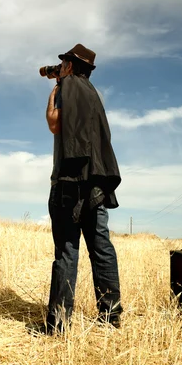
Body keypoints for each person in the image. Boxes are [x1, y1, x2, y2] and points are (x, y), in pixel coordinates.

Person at [40, 43, 123, 335]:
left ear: (71, 66)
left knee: (67, 250)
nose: (58, 68)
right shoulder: (93, 95)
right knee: (102, 248)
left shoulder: (68, 87)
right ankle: (111, 317)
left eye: (62, 64)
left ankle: (59, 325)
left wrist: (54, 92)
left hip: (69, 184)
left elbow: (54, 123)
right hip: (96, 184)